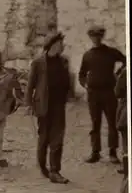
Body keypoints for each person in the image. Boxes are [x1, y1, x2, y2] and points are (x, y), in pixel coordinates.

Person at [25, 31, 71, 184]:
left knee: (57, 138)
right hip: (43, 105)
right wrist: (28, 104)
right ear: (53, 45)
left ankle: (54, 171)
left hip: (59, 105)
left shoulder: (64, 61)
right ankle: (42, 166)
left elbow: (67, 81)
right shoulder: (38, 62)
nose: (63, 46)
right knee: (43, 138)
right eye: (60, 44)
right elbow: (30, 85)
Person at [78, 25, 126, 164]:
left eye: (98, 36)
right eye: (93, 37)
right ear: (90, 38)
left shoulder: (111, 52)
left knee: (112, 123)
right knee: (95, 123)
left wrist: (118, 75)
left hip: (109, 92)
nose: (96, 39)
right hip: (93, 94)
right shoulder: (87, 55)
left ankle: (112, 152)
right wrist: (85, 84)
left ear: (102, 37)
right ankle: (95, 152)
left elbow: (125, 61)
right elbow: (81, 74)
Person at [115, 65, 128, 174]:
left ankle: (127, 167)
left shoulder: (125, 72)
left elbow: (118, 92)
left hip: (127, 108)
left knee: (126, 140)